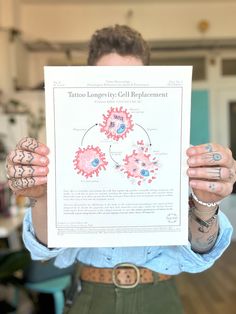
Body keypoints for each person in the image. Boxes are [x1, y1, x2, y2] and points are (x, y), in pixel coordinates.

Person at [5, 25, 235, 314]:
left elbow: (202, 249)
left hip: (160, 297)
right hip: (90, 296)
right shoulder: (67, 151)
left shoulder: (176, 152)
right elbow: (43, 247)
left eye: (130, 82)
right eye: (107, 82)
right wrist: (41, 196)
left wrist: (206, 205)